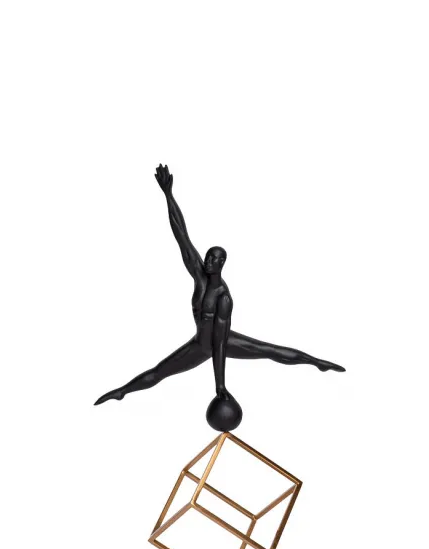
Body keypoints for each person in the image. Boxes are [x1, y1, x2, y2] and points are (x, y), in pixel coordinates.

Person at [94, 165, 344, 427]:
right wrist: (168, 194)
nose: (208, 261)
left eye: (214, 259)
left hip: (220, 343)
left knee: (270, 351)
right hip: (198, 345)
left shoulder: (224, 298)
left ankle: (315, 362)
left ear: (222, 263)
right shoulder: (200, 278)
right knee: (158, 372)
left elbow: (220, 343)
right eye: (208, 257)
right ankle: (122, 392)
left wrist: (220, 385)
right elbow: (181, 235)